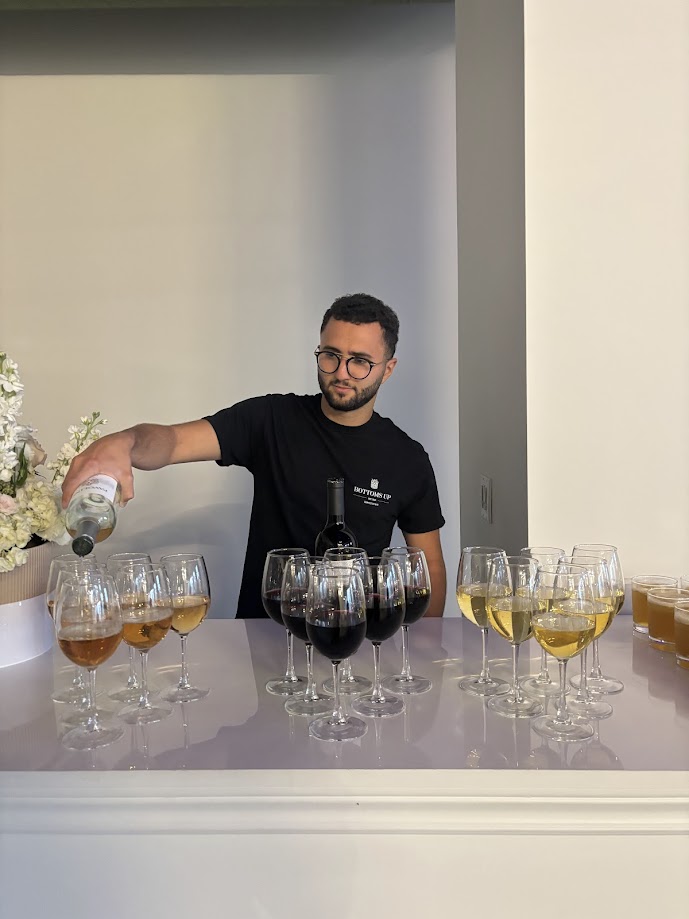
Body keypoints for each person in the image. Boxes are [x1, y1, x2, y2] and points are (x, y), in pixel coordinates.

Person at [61, 294, 447, 617]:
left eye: (360, 361)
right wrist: (123, 442)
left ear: (388, 369)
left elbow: (427, 565)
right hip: (266, 640)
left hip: (356, 638)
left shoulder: (407, 458)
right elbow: (173, 442)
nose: (341, 372)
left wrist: (426, 648)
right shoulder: (270, 420)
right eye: (330, 355)